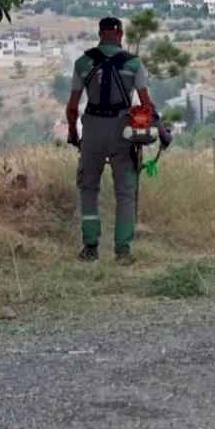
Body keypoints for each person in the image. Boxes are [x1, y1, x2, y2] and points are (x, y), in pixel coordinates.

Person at [65, 17, 154, 264]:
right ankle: (123, 251)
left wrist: (73, 132)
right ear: (121, 34)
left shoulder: (83, 63)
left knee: (88, 188)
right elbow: (146, 105)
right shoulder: (133, 64)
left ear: (99, 34)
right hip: (122, 130)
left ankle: (91, 247)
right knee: (125, 191)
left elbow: (72, 107)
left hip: (92, 127)